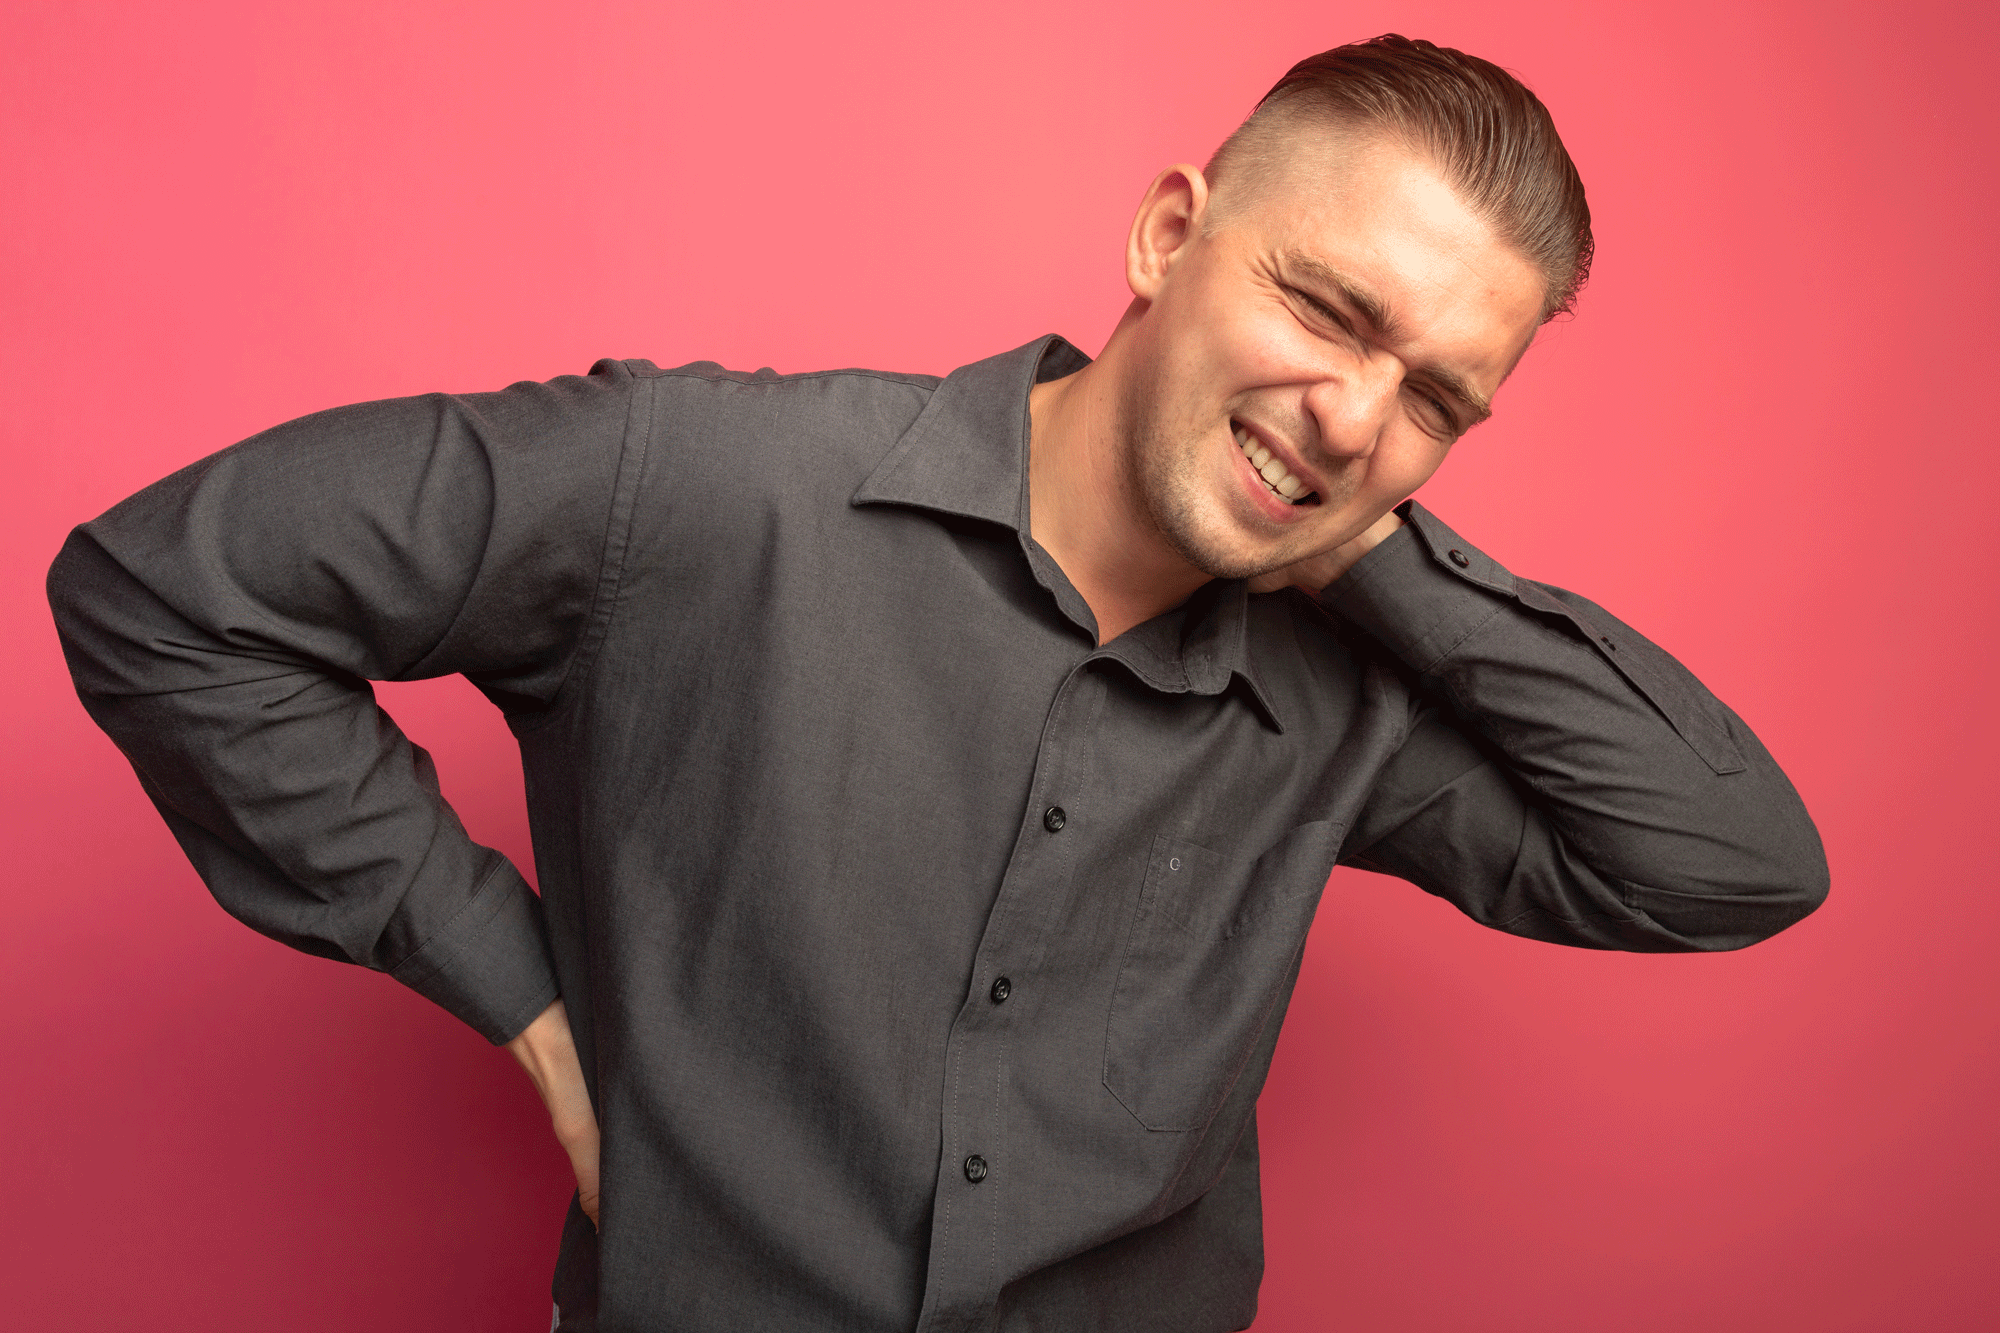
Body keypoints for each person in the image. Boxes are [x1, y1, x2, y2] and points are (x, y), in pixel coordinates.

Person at [47, 33, 1826, 1333]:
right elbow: (170, 589)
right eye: (1328, 312)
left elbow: (1730, 862)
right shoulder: (703, 488)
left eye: (1435, 399)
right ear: (1168, 235)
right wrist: (510, 987)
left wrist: (1355, 526)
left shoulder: (1344, 701)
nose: (1364, 412)